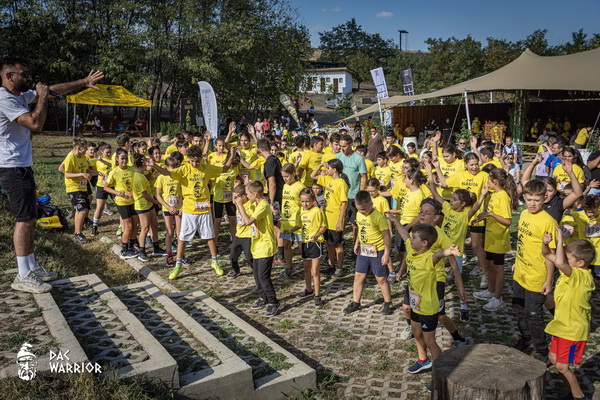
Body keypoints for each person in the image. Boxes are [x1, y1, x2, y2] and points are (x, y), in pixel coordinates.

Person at [0, 58, 103, 293]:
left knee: (30, 217)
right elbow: (35, 124)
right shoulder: (5, 98)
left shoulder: (19, 95)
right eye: (25, 74)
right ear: (9, 77)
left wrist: (83, 82)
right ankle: (23, 275)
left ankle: (31, 266)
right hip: (10, 167)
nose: (29, 77)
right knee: (24, 219)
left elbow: (53, 89)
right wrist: (43, 98)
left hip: (21, 166)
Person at [148, 144, 234, 279]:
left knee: (210, 236)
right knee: (182, 237)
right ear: (188, 159)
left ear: (201, 159)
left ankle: (214, 261)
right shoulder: (184, 169)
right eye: (192, 161)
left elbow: (224, 169)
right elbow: (167, 173)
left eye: (197, 161)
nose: (195, 164)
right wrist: (154, 165)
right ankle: (178, 265)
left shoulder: (207, 168)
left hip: (204, 209)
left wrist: (232, 156)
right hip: (188, 210)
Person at [387, 222, 461, 375]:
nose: (410, 240)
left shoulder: (429, 257)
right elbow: (404, 234)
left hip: (428, 307)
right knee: (416, 331)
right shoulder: (411, 248)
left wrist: (450, 250)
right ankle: (423, 360)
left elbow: (439, 254)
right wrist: (394, 220)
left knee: (430, 341)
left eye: (414, 238)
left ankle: (441, 374)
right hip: (416, 303)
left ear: (424, 243)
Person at [542, 230, 595, 400]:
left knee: (562, 367)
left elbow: (558, 262)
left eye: (568, 258)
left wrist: (560, 240)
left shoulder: (582, 277)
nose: (565, 260)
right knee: (553, 358)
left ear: (580, 263)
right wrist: (545, 243)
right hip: (561, 326)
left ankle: (579, 397)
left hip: (572, 330)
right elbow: (546, 254)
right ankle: (572, 393)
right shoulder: (572, 271)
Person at [512, 179, 559, 364]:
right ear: (524, 197)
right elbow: (522, 242)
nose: (532, 204)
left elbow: (551, 255)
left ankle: (542, 352)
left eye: (536, 200)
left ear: (544, 198)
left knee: (534, 315)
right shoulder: (523, 214)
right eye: (529, 199)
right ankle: (526, 338)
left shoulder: (548, 222)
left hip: (537, 276)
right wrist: (516, 262)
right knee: (519, 308)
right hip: (520, 272)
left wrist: (548, 280)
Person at [472, 168, 519, 311]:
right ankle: (490, 291)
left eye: (488, 180)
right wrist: (482, 217)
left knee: (498, 269)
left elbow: (508, 221)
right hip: (491, 238)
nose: (486, 182)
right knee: (490, 265)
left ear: (495, 182)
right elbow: (493, 213)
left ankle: (498, 298)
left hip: (499, 240)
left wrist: (491, 214)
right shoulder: (494, 195)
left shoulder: (503, 197)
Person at [233, 180, 281, 317]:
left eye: (248, 194)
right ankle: (263, 297)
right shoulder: (256, 203)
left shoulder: (263, 206)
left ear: (254, 194)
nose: (246, 196)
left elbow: (248, 222)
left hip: (266, 245)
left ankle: (273, 302)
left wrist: (240, 205)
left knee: (263, 276)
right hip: (257, 245)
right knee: (256, 274)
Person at [342, 190, 393, 315]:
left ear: (370, 203)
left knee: (381, 278)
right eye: (359, 209)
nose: (361, 212)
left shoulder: (379, 217)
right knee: (358, 276)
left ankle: (388, 303)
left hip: (378, 251)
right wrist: (357, 243)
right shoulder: (359, 214)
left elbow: (387, 237)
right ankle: (356, 302)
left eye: (363, 209)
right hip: (364, 251)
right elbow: (361, 229)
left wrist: (386, 253)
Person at [312, 159, 349, 276]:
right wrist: (320, 165)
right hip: (326, 217)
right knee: (328, 243)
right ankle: (330, 265)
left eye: (328, 168)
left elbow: (344, 203)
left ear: (335, 169)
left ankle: (340, 267)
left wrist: (340, 220)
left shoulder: (341, 184)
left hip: (335, 218)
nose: (326, 170)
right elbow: (312, 175)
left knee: (337, 244)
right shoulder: (328, 179)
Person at [61, 139, 100, 243]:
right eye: (85, 148)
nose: (86, 150)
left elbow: (86, 169)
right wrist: (81, 174)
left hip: (82, 186)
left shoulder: (82, 157)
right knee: (82, 210)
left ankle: (77, 232)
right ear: (79, 148)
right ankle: (78, 234)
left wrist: (97, 173)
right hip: (73, 187)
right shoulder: (70, 157)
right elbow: (67, 174)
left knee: (82, 210)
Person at [336, 134, 367, 256]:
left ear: (350, 145)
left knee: (355, 223)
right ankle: (339, 244)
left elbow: (364, 177)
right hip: (340, 195)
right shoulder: (339, 156)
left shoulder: (358, 159)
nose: (342, 148)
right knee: (341, 220)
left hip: (353, 195)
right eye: (340, 146)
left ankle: (356, 246)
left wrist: (360, 195)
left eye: (344, 146)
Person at [297, 187, 327, 306]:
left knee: (314, 271)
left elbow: (323, 226)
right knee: (306, 269)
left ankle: (317, 295)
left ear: (313, 200)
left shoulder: (317, 211)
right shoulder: (300, 211)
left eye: (307, 201)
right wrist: (290, 230)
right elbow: (299, 225)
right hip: (305, 243)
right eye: (302, 201)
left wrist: (317, 235)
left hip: (315, 243)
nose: (305, 204)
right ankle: (308, 289)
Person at [155, 155, 182, 267]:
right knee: (169, 232)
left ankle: (181, 255)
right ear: (166, 167)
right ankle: (169, 255)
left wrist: (182, 207)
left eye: (176, 166)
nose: (174, 169)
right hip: (167, 208)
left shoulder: (179, 176)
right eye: (172, 167)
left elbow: (185, 191)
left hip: (179, 208)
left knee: (180, 233)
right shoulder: (161, 177)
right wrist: (168, 207)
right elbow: (158, 195)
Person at [278, 163, 304, 278]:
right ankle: (289, 267)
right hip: (286, 221)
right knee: (286, 245)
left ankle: (307, 266)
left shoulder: (300, 187)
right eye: (283, 176)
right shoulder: (285, 186)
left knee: (301, 245)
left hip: (297, 222)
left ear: (293, 174)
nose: (285, 179)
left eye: (287, 176)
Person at [570, 196, 600, 284]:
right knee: (583, 281)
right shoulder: (579, 215)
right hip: (582, 256)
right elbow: (565, 209)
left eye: (591, 212)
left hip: (598, 258)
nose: (589, 214)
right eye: (586, 212)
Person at [228, 184, 255, 279]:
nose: (234, 199)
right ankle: (235, 270)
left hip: (248, 235)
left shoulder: (250, 205)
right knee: (232, 256)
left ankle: (256, 272)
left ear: (243, 197)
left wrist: (240, 205)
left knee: (249, 257)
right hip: (239, 234)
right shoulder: (237, 204)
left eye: (236, 197)